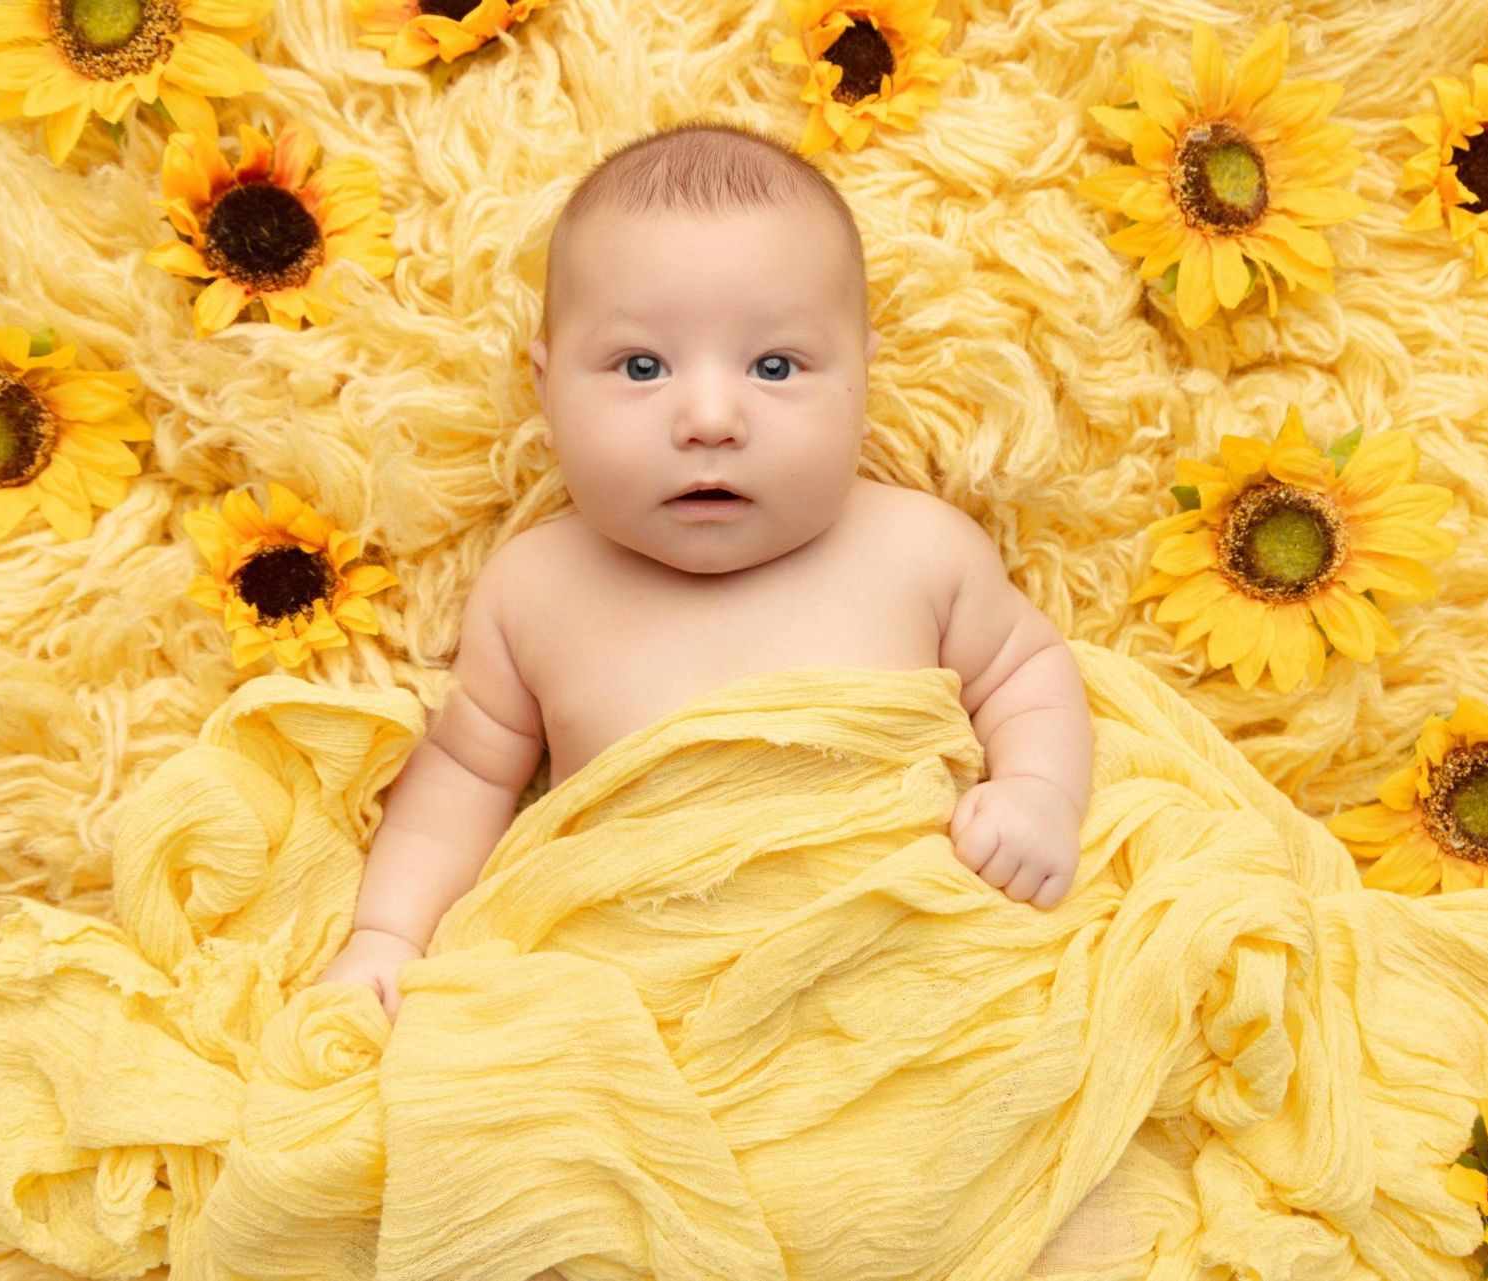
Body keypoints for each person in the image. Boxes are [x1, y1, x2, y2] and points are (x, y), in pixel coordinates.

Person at [314, 118, 1094, 1024]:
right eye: (642, 366)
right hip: (639, 1002)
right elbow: (464, 777)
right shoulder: (534, 589)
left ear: (864, 375)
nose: (712, 418)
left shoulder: (920, 548)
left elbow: (1029, 674)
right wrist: (389, 936)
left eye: (775, 365)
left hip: (906, 977)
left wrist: (1037, 793)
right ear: (545, 386)